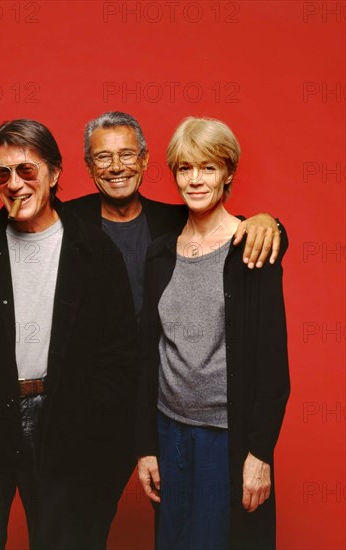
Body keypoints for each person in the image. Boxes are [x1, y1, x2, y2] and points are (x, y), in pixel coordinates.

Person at [0, 112, 282, 540]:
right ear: (86, 167)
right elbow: (20, 211)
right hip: (88, 408)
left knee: (204, 528)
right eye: (103, 157)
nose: (116, 166)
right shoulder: (71, 221)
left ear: (144, 161)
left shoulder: (174, 221)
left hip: (161, 400)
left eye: (127, 155)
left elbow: (223, 229)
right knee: (80, 528)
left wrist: (269, 222)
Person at [0, 119, 137, 550]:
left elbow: (120, 350)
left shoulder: (93, 249)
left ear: (54, 173)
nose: (14, 184)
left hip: (68, 428)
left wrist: (87, 415)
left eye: (27, 170)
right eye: (3, 172)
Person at [136, 117, 290, 550]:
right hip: (169, 434)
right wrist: (145, 446)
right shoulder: (160, 253)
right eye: (185, 168)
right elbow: (149, 354)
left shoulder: (252, 247)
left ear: (228, 174)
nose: (196, 179)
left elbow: (272, 363)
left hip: (226, 437)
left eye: (208, 167)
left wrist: (260, 453)